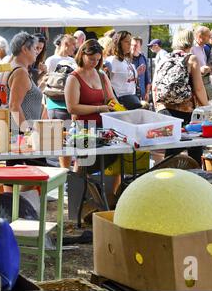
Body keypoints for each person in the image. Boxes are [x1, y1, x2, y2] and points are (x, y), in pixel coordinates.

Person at [64, 39, 121, 194]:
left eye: (97, 59)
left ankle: (107, 196)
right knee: (84, 164)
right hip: (83, 128)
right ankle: (77, 194)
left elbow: (111, 99)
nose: (94, 63)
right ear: (82, 55)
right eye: (91, 59)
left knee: (111, 159)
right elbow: (72, 107)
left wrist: (122, 111)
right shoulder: (73, 78)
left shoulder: (101, 75)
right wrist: (98, 108)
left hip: (104, 128)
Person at [153, 29, 209, 164]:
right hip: (187, 111)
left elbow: (155, 85)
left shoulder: (165, 58)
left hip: (165, 109)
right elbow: (199, 88)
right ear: (190, 41)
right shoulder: (191, 59)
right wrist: (207, 107)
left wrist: (158, 108)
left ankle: (168, 179)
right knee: (195, 149)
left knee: (171, 152)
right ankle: (194, 179)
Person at [1, 32, 46, 190]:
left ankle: (15, 209)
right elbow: (14, 105)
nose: (37, 52)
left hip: (16, 132)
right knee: (41, 175)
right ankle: (21, 209)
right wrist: (28, 133)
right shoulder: (19, 71)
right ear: (24, 49)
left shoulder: (12, 67)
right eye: (34, 48)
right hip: (22, 134)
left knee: (12, 178)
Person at [106, 31, 143, 110]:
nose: (129, 44)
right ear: (118, 43)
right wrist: (115, 105)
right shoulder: (111, 61)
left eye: (130, 41)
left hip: (132, 100)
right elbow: (105, 84)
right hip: (119, 102)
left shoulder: (126, 60)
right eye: (126, 41)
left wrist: (137, 72)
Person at [191, 26, 212, 100]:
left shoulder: (205, 48)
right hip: (195, 86)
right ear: (200, 36)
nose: (210, 38)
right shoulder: (192, 48)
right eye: (208, 36)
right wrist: (200, 70)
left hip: (203, 83)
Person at [131, 36, 151, 102]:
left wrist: (147, 93)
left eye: (136, 45)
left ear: (140, 46)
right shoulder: (126, 59)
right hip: (130, 94)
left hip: (142, 95)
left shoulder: (143, 58)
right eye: (132, 45)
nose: (133, 47)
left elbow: (147, 78)